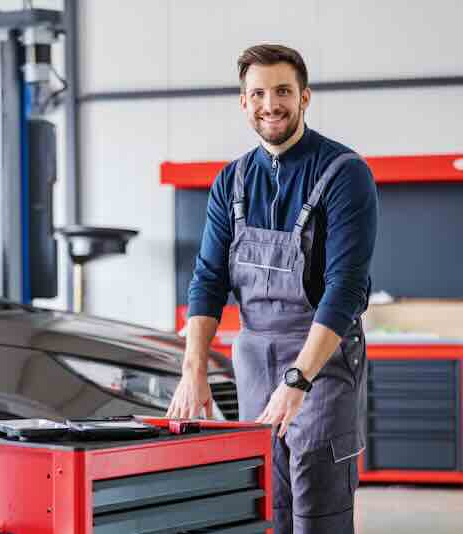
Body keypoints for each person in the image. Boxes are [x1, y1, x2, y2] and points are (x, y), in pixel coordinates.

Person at [167, 44, 378, 534]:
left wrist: (299, 380)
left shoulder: (345, 174)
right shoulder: (232, 180)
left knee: (317, 505)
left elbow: (345, 288)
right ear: (243, 103)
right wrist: (192, 370)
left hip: (321, 362)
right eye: (257, 93)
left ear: (304, 97)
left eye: (282, 90)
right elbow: (207, 279)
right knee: (265, 504)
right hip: (255, 359)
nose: (270, 103)